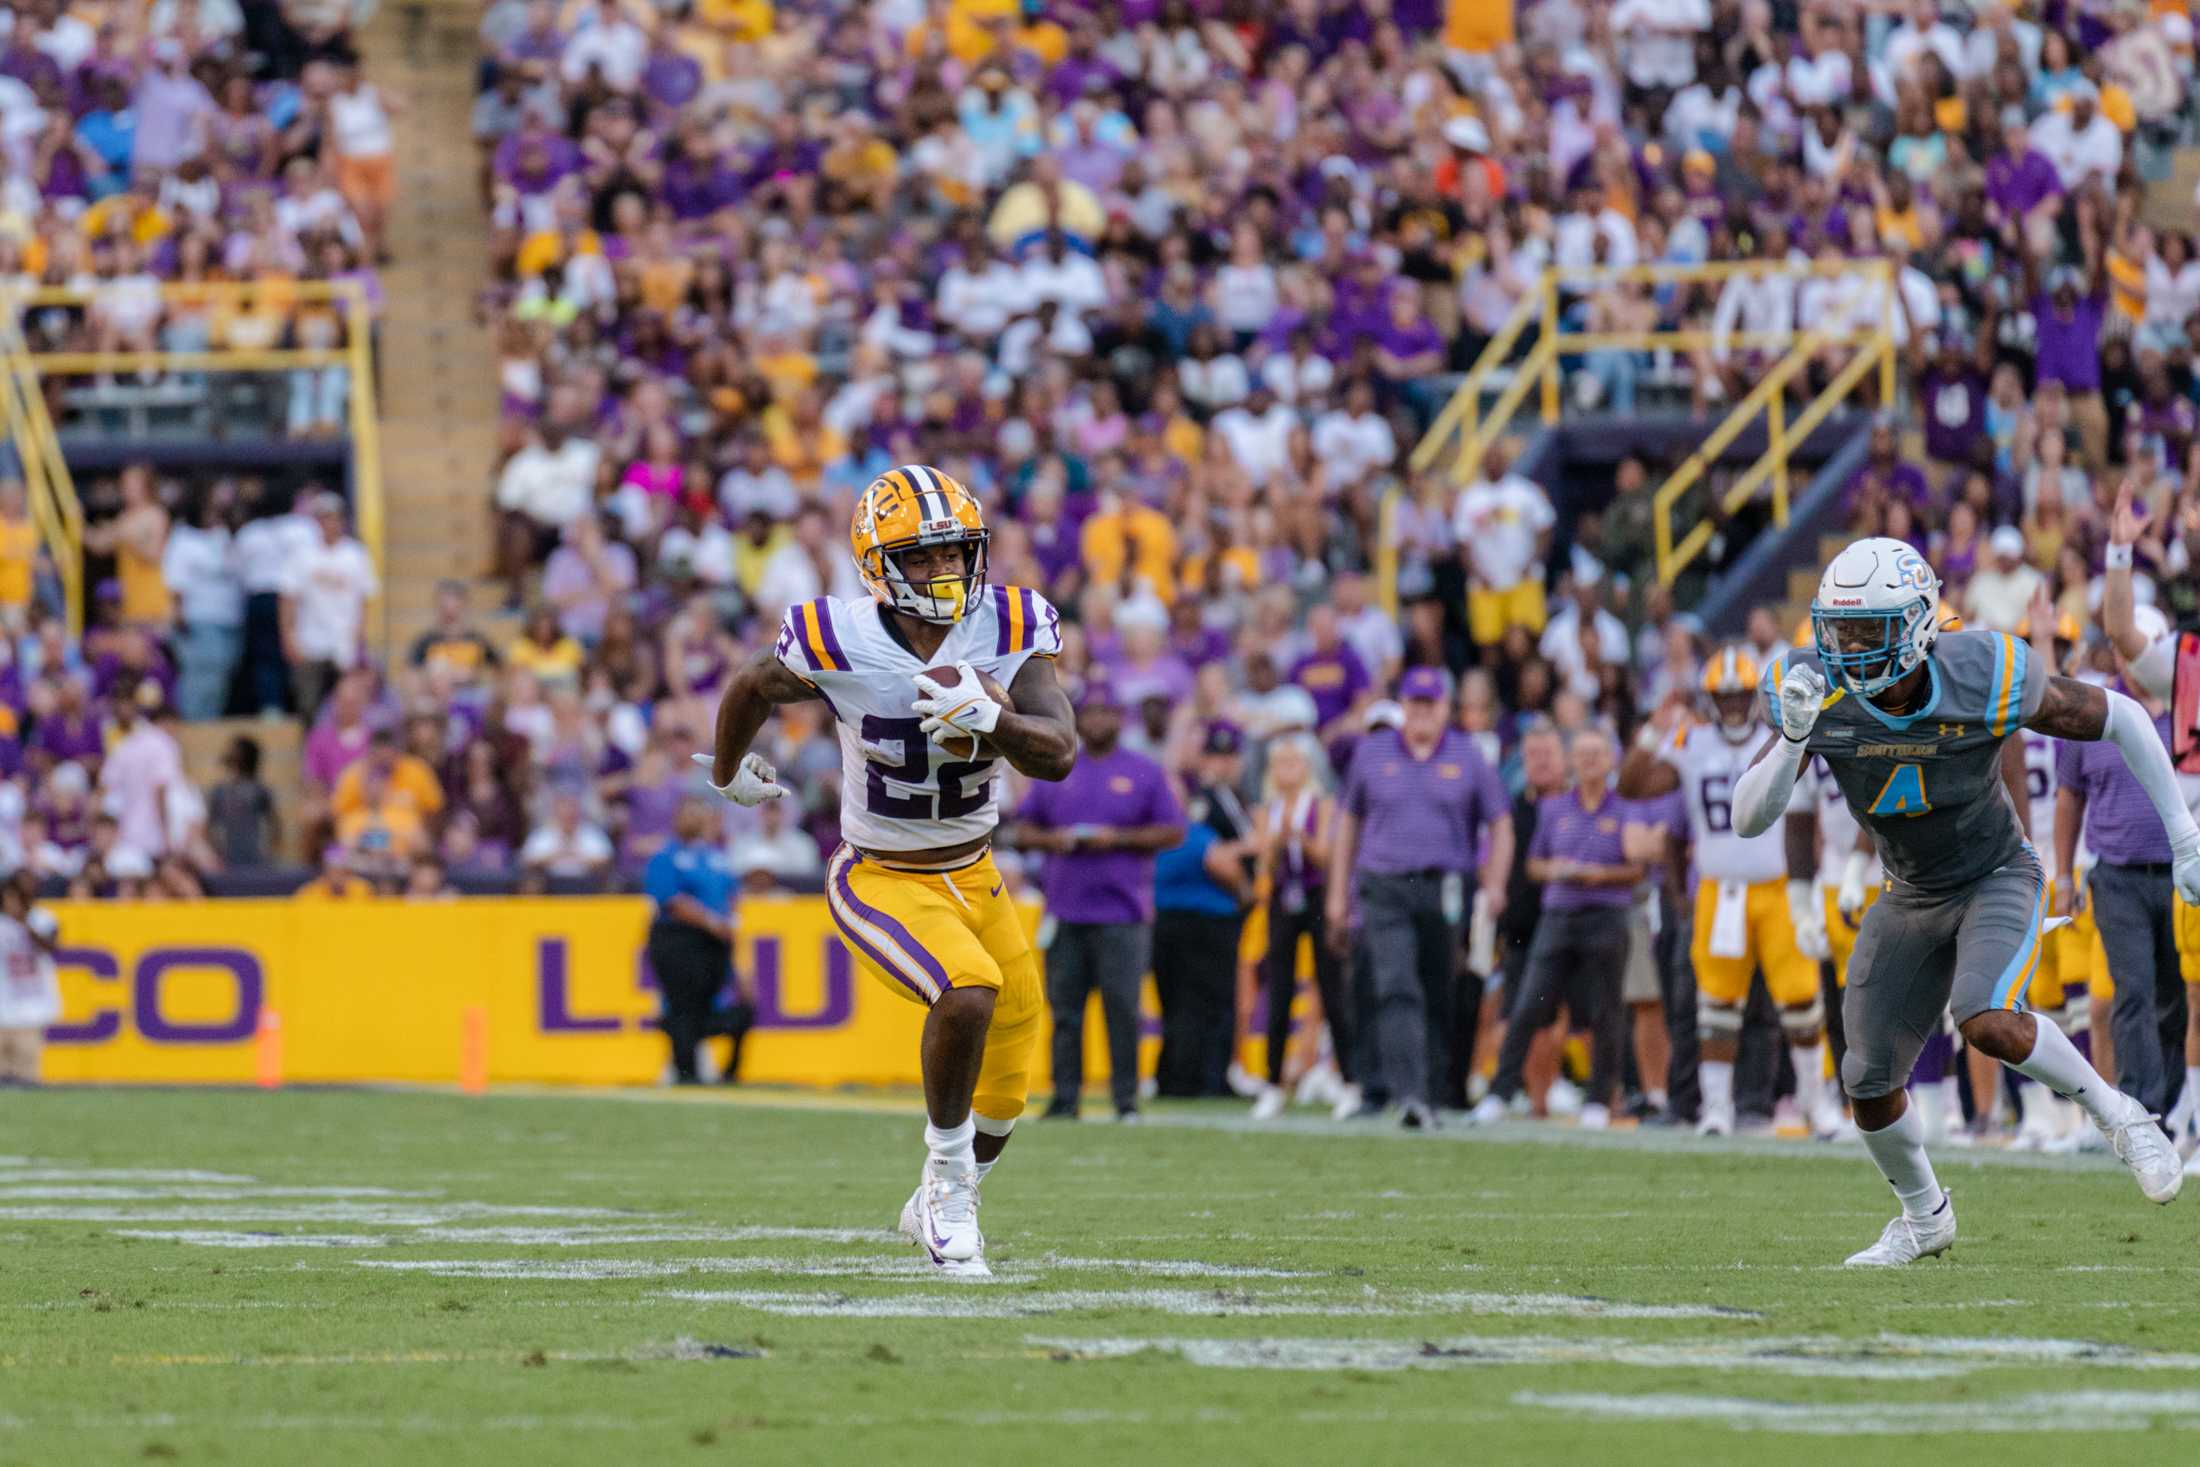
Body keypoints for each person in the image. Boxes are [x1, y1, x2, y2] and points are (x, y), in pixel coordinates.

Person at [1731, 536, 2195, 1267]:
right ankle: (1925, 1217)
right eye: (1837, 629)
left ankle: (2119, 1113)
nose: (1846, 648)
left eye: (1867, 630)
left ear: (1916, 625)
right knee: (1866, 1078)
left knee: (1985, 1017)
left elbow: (2122, 718)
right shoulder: (1810, 686)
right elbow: (1746, 816)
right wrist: (1792, 739)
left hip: (1995, 873)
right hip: (1908, 890)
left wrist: (2186, 838)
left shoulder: (1983, 671)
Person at [700, 465, 1077, 1277]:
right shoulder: (836, 636)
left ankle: (948, 1189)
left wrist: (997, 718)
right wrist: (728, 771)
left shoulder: (1010, 623)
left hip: (976, 874)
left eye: (955, 554)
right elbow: (748, 687)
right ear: (878, 564)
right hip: (881, 872)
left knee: (1010, 1080)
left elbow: (1060, 752)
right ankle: (945, 1189)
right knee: (966, 986)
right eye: (923, 558)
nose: (945, 572)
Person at [1649, 649, 1844, 1140]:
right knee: (1716, 1004)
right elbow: (1636, 784)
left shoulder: (1781, 734)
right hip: (1720, 890)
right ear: (1709, 699)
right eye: (1724, 696)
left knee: (1803, 1001)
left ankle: (1815, 1105)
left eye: (1740, 694)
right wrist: (1657, 729)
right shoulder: (1688, 740)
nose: (1734, 705)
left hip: (1778, 888)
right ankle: (1717, 1109)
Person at [1328, 666, 1513, 1129]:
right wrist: (1338, 892)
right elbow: (1347, 824)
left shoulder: (1468, 755)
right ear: (1403, 705)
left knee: (1438, 987)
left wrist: (1494, 883)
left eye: (1430, 704)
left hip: (1445, 884)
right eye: (1414, 703)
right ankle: (1408, 1092)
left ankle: (1429, 1091)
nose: (1422, 712)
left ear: (1445, 708)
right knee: (1396, 984)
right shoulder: (1371, 754)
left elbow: (1501, 824)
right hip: (1384, 882)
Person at [1014, 679, 1184, 1120]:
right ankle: (1065, 1098)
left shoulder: (1143, 770)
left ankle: (1125, 1100)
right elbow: (1023, 829)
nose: (1097, 720)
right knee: (1065, 1011)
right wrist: (1057, 840)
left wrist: (1120, 838)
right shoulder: (1059, 768)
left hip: (1123, 913)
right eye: (1089, 712)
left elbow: (1172, 830)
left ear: (1120, 718)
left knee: (1123, 1009)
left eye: (1106, 712)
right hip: (1066, 910)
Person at [1474, 725, 1644, 1130]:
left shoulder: (1624, 809)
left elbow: (1637, 869)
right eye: (1581, 754)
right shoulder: (1555, 810)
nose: (1587, 762)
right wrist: (1556, 870)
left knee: (1605, 1010)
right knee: (1528, 1003)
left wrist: (1599, 876)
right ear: (1572, 761)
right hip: (1560, 914)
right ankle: (1501, 1091)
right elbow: (1534, 864)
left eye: (1595, 754)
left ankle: (1599, 1097)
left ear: (1610, 761)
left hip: (1606, 914)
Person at [2098, 484, 2200, 1154]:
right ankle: (2184, 1114)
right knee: (2189, 995)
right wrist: (2119, 554)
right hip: (2194, 848)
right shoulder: (2185, 659)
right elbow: (2121, 632)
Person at [1151, 720, 1253, 1100]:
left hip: (1171, 915)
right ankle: (1203, 1078)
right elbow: (1215, 858)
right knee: (1204, 1002)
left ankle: (1176, 1077)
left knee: (1179, 1003)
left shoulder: (1171, 819)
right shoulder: (1201, 811)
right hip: (1207, 915)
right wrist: (1245, 890)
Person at [1250, 731, 1349, 1121]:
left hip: (1316, 897)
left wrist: (1299, 838)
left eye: (1293, 763)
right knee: (1279, 989)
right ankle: (1273, 1082)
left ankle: (1349, 1079)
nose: (1286, 771)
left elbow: (1325, 856)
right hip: (1282, 901)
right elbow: (1263, 865)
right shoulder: (1267, 809)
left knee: (1331, 985)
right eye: (1280, 764)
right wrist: (1275, 843)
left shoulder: (1319, 805)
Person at [642, 797, 740, 1085]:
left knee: (706, 1005)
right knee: (683, 1004)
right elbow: (671, 901)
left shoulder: (716, 857)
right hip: (679, 939)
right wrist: (712, 922)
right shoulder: (666, 856)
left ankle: (698, 1066)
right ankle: (686, 1071)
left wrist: (729, 925)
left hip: (713, 943)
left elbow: (731, 895)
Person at [279, 492, 378, 718]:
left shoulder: (356, 555)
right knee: (308, 704)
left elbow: (365, 599)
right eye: (324, 518)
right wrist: (288, 637)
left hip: (343, 643)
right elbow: (288, 598)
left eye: (333, 518)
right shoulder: (302, 555)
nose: (329, 523)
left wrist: (360, 637)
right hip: (310, 641)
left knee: (345, 703)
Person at [0, 875, 59, 1085]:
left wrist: (23, 922)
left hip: (30, 1012)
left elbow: (50, 947)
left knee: (27, 1080)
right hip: (3, 1010)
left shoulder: (41, 918)